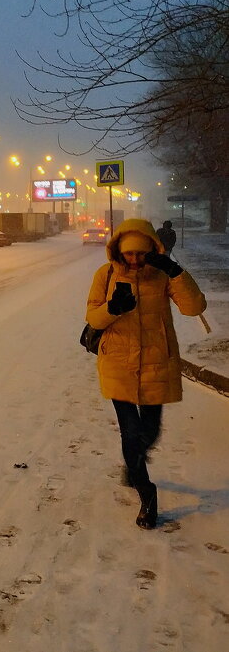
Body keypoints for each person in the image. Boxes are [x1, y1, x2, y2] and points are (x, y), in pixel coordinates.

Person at [85, 218, 205, 529]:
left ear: (152, 249)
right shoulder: (106, 274)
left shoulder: (162, 275)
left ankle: (134, 463)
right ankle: (146, 494)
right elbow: (92, 318)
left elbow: (194, 308)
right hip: (118, 364)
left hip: (156, 361)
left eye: (141, 253)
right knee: (131, 433)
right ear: (119, 252)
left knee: (150, 432)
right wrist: (113, 308)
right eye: (129, 254)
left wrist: (175, 271)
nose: (135, 260)